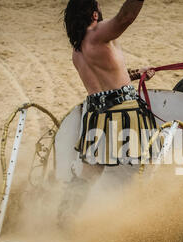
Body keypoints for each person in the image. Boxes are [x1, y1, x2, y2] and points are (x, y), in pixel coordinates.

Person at [64, 0, 158, 167]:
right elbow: (125, 17)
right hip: (126, 111)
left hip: (96, 116)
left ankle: (72, 194)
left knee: (87, 178)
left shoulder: (76, 51)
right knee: (148, 167)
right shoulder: (96, 33)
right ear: (94, 14)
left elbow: (106, 80)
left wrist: (136, 74)